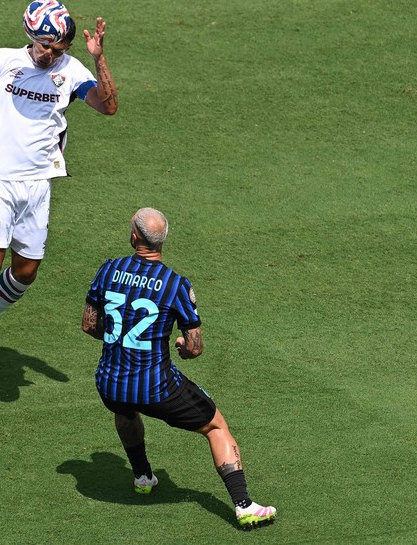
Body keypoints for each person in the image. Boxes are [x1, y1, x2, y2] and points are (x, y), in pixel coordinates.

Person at [0, 0, 119, 408]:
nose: (50, 55)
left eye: (58, 49)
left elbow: (108, 107)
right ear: (29, 34)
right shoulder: (0, 59)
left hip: (39, 184)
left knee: (25, 272)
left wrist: (98, 59)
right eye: (45, 46)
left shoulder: (71, 71)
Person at [81, 208, 276, 529]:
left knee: (125, 408)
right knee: (216, 427)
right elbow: (194, 346)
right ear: (163, 241)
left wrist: (120, 338)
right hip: (157, 387)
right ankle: (244, 505)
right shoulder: (174, 285)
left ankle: (143, 476)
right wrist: (186, 349)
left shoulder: (109, 270)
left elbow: (89, 325)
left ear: (133, 237)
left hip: (109, 382)